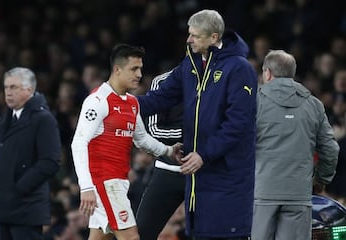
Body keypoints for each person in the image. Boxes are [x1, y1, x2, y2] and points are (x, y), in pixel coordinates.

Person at [137, 9, 258, 239]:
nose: (188, 39)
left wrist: (204, 154)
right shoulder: (190, 63)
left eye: (195, 35)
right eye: (189, 34)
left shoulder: (239, 68)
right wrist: (124, 104)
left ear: (214, 37)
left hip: (225, 173)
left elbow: (238, 124)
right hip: (198, 174)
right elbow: (162, 98)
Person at [71, 44, 182, 240]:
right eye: (133, 69)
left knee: (99, 237)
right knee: (131, 237)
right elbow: (78, 143)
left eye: (140, 69)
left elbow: (142, 139)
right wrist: (86, 187)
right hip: (105, 182)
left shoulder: (131, 102)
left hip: (117, 181)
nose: (139, 74)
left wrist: (168, 150)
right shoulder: (98, 101)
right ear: (117, 69)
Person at [252, 50, 340, 240]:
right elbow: (331, 149)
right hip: (298, 193)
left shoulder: (254, 101)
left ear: (267, 73)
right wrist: (321, 179)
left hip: (261, 192)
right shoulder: (314, 105)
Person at [0, 67, 61, 240]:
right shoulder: (7, 117)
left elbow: (50, 161)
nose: (8, 92)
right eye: (6, 87)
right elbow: (0, 159)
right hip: (5, 207)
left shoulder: (43, 119)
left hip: (26, 208)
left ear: (29, 90)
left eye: (14, 87)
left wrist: (20, 187)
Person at [136, 70, 186, 240]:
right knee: (142, 233)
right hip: (168, 169)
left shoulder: (218, 80)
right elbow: (154, 130)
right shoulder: (163, 81)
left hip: (206, 172)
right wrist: (194, 136)